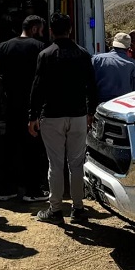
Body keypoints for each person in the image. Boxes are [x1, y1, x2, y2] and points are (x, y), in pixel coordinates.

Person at [30, 13, 98, 224]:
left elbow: (38, 88)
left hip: (52, 116)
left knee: (55, 164)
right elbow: (91, 86)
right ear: (70, 29)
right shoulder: (83, 54)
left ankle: (56, 210)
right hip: (78, 115)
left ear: (51, 30)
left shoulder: (46, 54)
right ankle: (78, 208)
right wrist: (90, 112)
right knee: (76, 163)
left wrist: (32, 115)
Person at [0, 15, 49, 202]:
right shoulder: (39, 47)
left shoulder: (4, 46)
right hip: (31, 105)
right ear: (35, 29)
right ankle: (32, 191)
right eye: (41, 30)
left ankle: (7, 190)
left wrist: (2, 84)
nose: (42, 34)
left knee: (10, 146)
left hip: (10, 103)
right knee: (32, 147)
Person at [91, 33, 135, 102]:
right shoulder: (133, 64)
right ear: (128, 48)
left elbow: (89, 82)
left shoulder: (97, 59)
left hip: (100, 104)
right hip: (122, 104)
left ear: (113, 44)